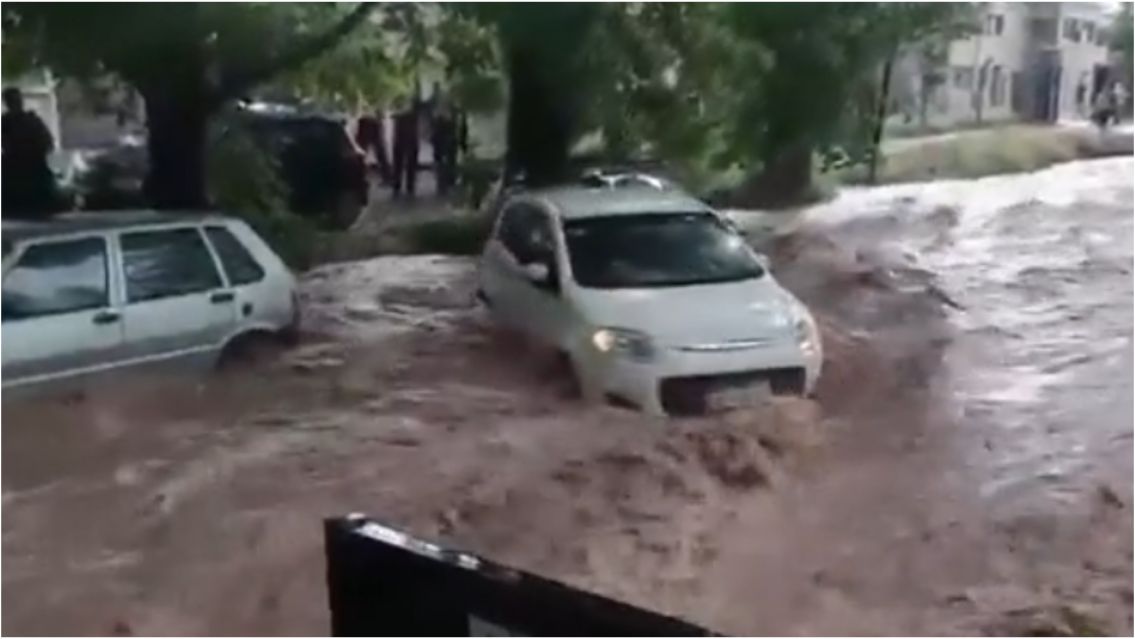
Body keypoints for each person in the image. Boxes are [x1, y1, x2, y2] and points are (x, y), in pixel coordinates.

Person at [2, 87, 58, 217]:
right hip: (15, 169)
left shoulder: (32, 120)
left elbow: (48, 142)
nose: (16, 103)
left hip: (33, 168)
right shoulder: (5, 123)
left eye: (17, 100)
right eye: (12, 100)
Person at [391, 97, 420, 198]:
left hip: (403, 139)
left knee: (399, 164)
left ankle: (399, 185)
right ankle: (408, 186)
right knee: (408, 164)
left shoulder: (401, 115)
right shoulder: (413, 115)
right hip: (409, 139)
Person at [431, 99, 459, 196]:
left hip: (447, 142)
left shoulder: (451, 114)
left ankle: (447, 183)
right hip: (441, 142)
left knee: (447, 163)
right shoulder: (439, 116)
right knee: (442, 163)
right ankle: (443, 184)